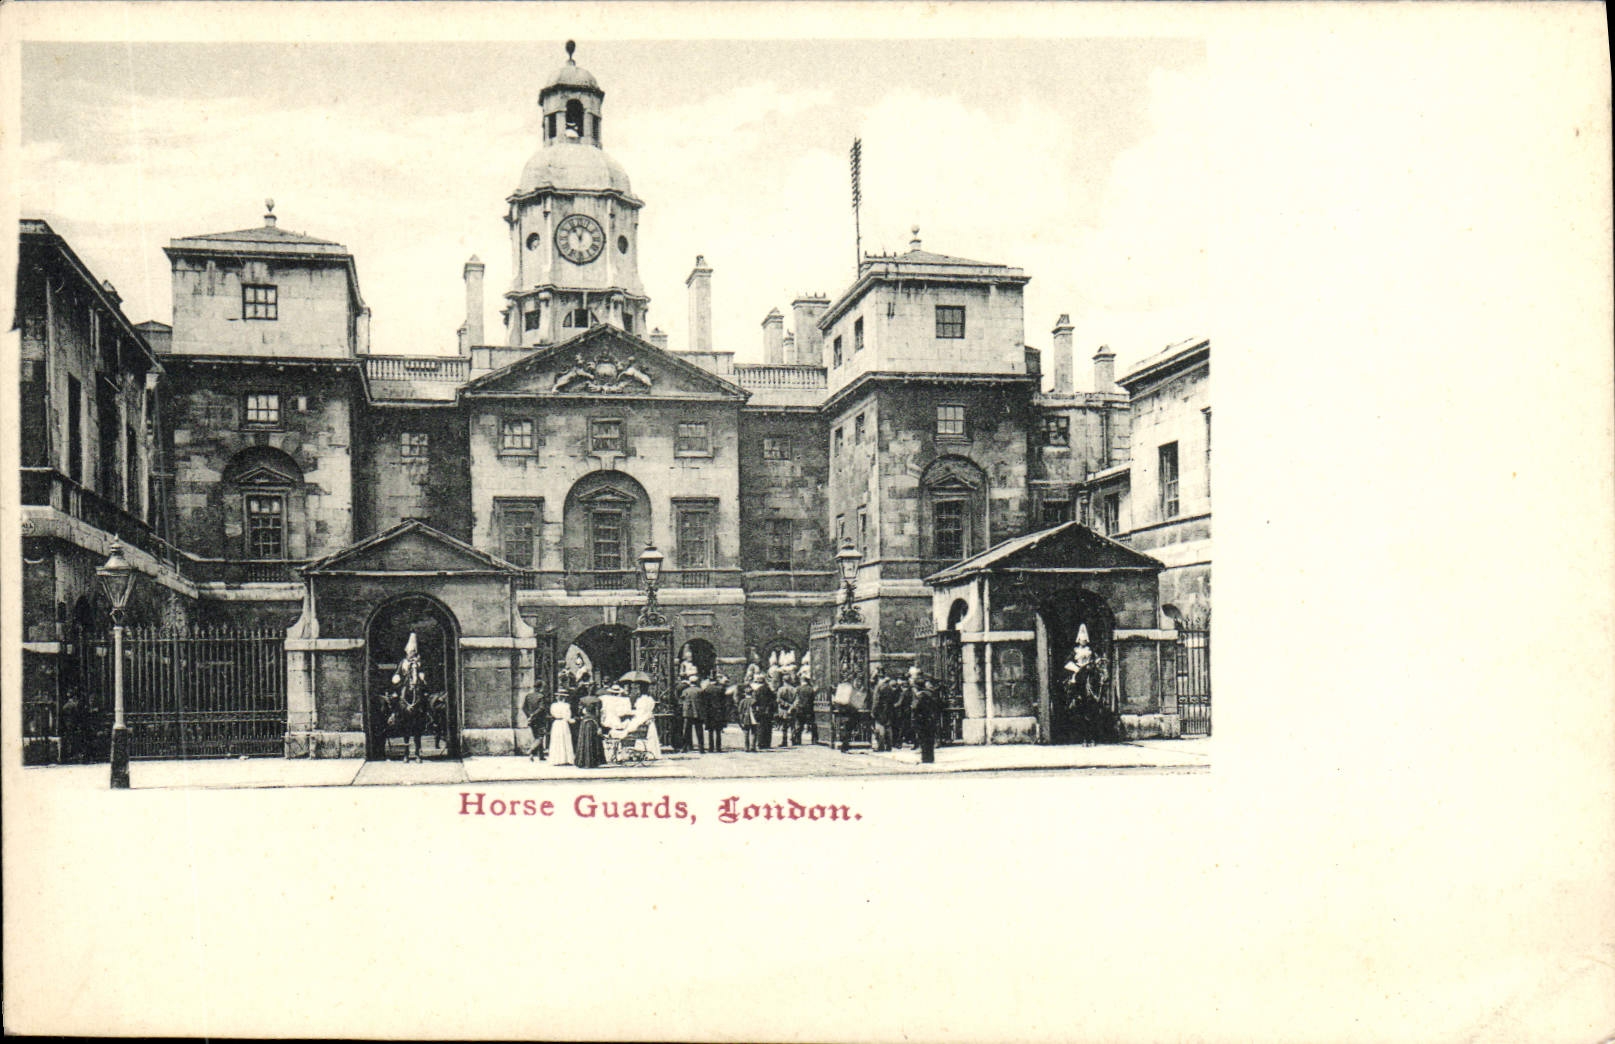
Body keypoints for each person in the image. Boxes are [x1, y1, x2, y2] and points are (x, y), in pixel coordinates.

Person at [912, 676, 942, 764]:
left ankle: (925, 758)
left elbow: (915, 707)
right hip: (930, 719)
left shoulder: (920, 696)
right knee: (930, 739)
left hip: (922, 720)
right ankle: (930, 758)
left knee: (924, 740)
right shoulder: (930, 694)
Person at [573, 689, 605, 768]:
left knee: (583, 740)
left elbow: (579, 712)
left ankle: (582, 761)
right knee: (594, 741)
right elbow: (598, 714)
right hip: (593, 721)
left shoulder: (582, 699)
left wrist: (583, 715)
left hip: (585, 721)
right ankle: (593, 762)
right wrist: (599, 725)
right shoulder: (597, 700)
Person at [701, 672, 728, 752]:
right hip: (719, 711)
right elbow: (724, 702)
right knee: (718, 731)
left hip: (709, 712)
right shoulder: (721, 689)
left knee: (710, 731)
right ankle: (718, 747)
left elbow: (704, 702)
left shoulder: (707, 689)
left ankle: (711, 748)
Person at [546, 691, 575, 766]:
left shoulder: (553, 706)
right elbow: (567, 716)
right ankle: (565, 759)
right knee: (565, 739)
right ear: (564, 698)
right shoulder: (566, 706)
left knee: (556, 740)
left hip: (556, 723)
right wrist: (572, 720)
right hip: (563, 723)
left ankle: (556, 759)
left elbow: (552, 714)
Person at [679, 677, 704, 755]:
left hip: (687, 713)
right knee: (699, 731)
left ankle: (684, 748)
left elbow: (681, 700)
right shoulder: (701, 691)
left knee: (686, 731)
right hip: (698, 713)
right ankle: (701, 748)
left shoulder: (686, 691)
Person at [773, 670, 797, 748]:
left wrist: (785, 704)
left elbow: (778, 700)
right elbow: (797, 700)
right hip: (792, 710)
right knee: (792, 726)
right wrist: (791, 706)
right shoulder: (794, 689)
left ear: (783, 680)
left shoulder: (781, 689)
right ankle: (793, 740)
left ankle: (784, 740)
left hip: (783, 710)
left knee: (784, 726)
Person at [752, 677, 777, 750]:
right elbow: (773, 700)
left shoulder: (757, 691)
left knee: (760, 727)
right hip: (769, 710)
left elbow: (755, 701)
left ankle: (761, 743)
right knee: (768, 727)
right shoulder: (769, 690)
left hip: (761, 710)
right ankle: (767, 743)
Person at [739, 684, 759, 751]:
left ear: (745, 693)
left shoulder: (742, 701)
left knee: (746, 733)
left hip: (745, 718)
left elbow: (740, 711)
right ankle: (753, 747)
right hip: (753, 718)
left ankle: (746, 747)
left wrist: (741, 720)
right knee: (754, 732)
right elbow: (757, 710)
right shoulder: (754, 701)